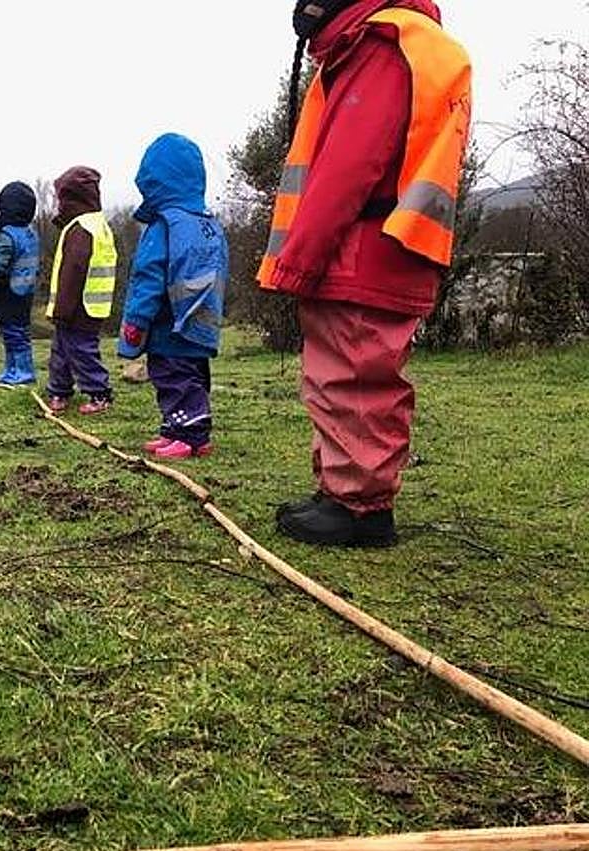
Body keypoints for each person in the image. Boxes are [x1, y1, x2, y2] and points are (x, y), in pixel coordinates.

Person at [260, 0, 472, 547]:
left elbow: (346, 167)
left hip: (359, 248)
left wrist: (297, 261)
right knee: (349, 374)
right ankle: (343, 493)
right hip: (392, 245)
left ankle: (359, 507)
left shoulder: (380, 47)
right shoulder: (402, 44)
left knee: (353, 377)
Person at [118, 134, 229, 460]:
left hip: (168, 321)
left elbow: (148, 278)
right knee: (194, 374)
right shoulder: (208, 224)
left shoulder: (163, 225)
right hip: (202, 319)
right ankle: (177, 429)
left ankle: (191, 434)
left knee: (171, 376)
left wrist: (136, 321)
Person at [46, 166, 118, 415]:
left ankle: (99, 393)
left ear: (71, 198)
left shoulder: (82, 229)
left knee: (81, 350)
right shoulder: (95, 223)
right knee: (62, 349)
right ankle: (58, 390)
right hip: (91, 303)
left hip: (78, 305)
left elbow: (74, 269)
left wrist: (61, 308)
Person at [0, 181, 40, 385]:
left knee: (14, 335)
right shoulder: (31, 233)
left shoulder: (6, 235)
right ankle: (12, 369)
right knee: (16, 333)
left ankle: (23, 371)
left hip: (6, 291)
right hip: (26, 290)